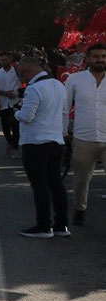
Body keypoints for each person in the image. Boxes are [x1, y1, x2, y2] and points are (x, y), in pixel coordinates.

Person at [13, 55, 70, 238]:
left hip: (36, 142)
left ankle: (44, 226)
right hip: (56, 141)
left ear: (28, 71)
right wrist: (62, 133)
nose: (23, 79)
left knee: (40, 186)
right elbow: (64, 114)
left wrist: (16, 113)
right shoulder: (59, 86)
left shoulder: (34, 89)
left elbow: (28, 116)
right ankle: (61, 225)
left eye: (22, 75)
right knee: (56, 184)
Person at [65, 43, 106, 226]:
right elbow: (65, 107)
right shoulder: (75, 79)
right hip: (84, 138)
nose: (100, 60)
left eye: (103, 56)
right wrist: (63, 131)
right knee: (82, 179)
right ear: (88, 59)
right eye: (96, 56)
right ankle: (80, 209)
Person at [0, 52, 21, 159]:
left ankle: (15, 147)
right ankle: (9, 142)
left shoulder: (17, 71)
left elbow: (23, 83)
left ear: (10, 60)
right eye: (1, 60)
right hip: (3, 103)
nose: (3, 62)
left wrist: (17, 93)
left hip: (16, 102)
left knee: (16, 126)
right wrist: (5, 94)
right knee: (5, 126)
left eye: (5, 60)